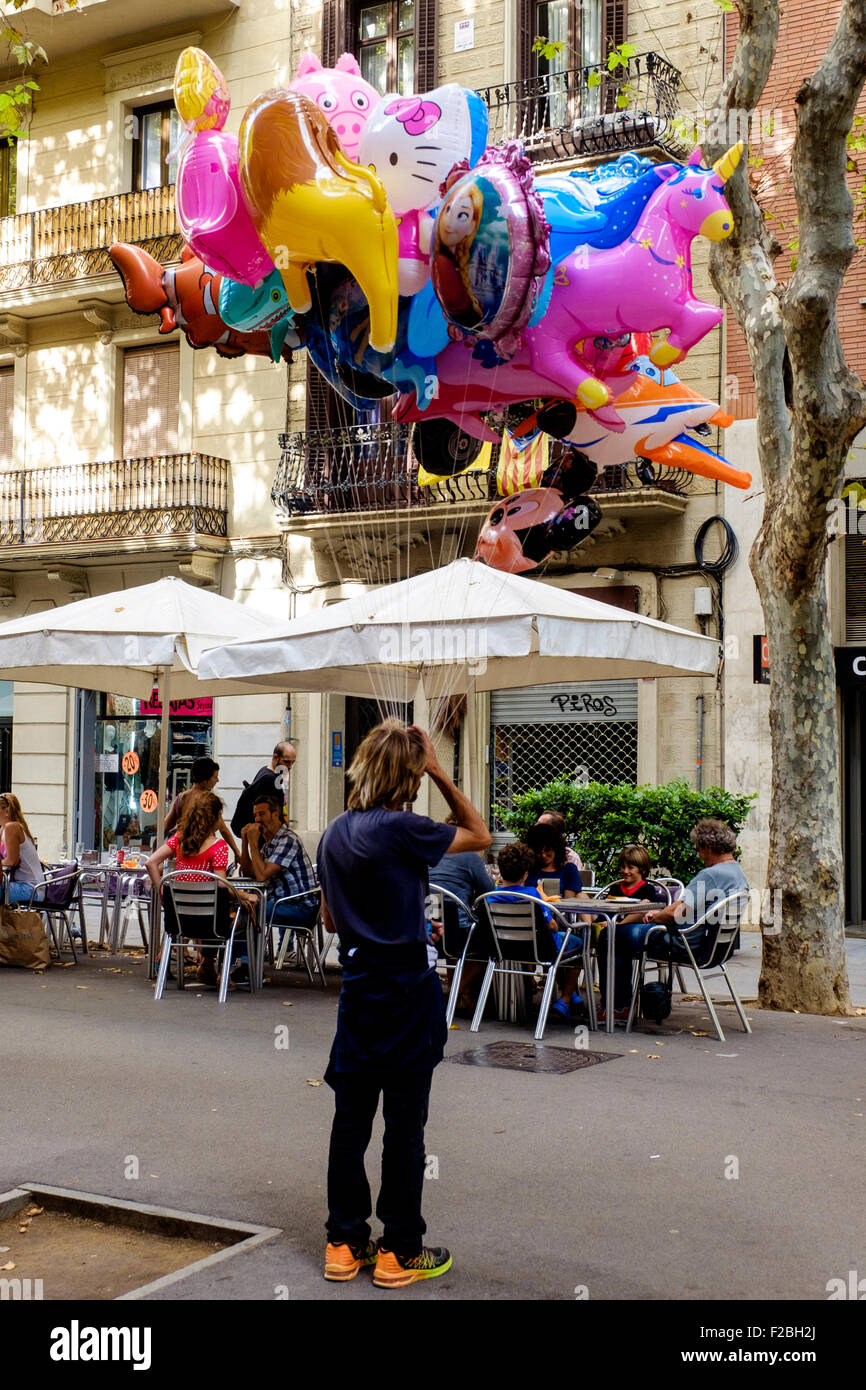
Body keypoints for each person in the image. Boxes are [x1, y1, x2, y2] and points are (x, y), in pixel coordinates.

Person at [317, 720, 490, 1288]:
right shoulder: (406, 829)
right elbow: (479, 833)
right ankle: (399, 1251)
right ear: (409, 776)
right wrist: (441, 768)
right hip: (408, 990)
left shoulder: (335, 832)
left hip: (359, 985)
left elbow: (329, 918)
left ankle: (342, 1243)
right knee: (404, 1124)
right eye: (417, 775)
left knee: (351, 1120)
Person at [596, 820, 750, 1024]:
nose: (698, 854)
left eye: (698, 849)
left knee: (610, 935)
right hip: (716, 949)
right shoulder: (738, 873)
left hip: (683, 943)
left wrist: (654, 917)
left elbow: (676, 911)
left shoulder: (711, 875)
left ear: (708, 847)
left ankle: (618, 1007)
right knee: (621, 937)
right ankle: (622, 1003)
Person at [146, 792, 254, 986]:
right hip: (210, 922)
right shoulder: (219, 847)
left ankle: (207, 966)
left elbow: (151, 862)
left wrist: (163, 892)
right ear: (214, 818)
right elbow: (222, 885)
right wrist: (246, 895)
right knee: (240, 918)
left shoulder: (179, 840)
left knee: (218, 913)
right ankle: (208, 963)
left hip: (179, 919)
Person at [492, 841, 585, 1022]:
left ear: (500, 872)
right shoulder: (532, 894)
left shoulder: (491, 895)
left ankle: (570, 996)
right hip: (538, 948)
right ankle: (566, 997)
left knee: (554, 943)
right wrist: (555, 925)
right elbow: (551, 926)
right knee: (576, 942)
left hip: (504, 948)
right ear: (526, 874)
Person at [428, 815, 495, 1017]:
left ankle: (464, 996)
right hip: (459, 932)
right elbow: (489, 891)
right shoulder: (470, 857)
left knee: (454, 944)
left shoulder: (429, 854)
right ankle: (455, 993)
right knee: (491, 945)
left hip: (430, 929)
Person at [239, 790, 318, 946]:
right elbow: (249, 873)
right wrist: (245, 842)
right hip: (281, 903)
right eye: (255, 815)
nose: (257, 819)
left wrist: (254, 844)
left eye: (262, 814)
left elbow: (262, 876)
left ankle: (248, 964)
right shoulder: (269, 844)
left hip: (300, 907)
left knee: (250, 911)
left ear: (275, 815)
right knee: (243, 908)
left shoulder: (288, 840)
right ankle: (241, 962)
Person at [163, 757, 240, 860]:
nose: (217, 780)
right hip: (203, 854)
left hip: (182, 853)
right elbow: (223, 830)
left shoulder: (181, 798)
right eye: (215, 777)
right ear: (204, 780)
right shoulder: (208, 801)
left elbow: (165, 826)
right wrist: (236, 851)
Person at [230, 741, 296, 836]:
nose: (290, 766)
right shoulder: (268, 779)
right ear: (275, 758)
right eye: (286, 761)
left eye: (292, 762)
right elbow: (264, 815)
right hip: (268, 839)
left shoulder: (267, 772)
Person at [0, 793, 44, 903]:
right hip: (18, 884)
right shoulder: (3, 830)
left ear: (6, 811)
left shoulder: (12, 827)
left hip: (32, 888)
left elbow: (11, 861)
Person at [524, 821, 583, 897]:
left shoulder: (569, 869)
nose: (543, 855)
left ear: (556, 847)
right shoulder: (527, 869)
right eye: (538, 852)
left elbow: (569, 901)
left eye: (547, 850)